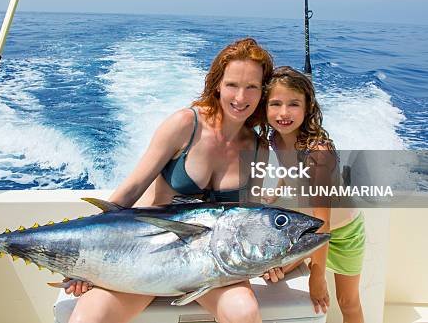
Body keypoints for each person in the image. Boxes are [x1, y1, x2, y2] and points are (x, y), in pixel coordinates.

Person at [65, 37, 274, 323]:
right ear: (217, 85)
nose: (241, 97)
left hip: (211, 268)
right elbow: (131, 190)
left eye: (252, 87)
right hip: (145, 256)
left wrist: (275, 260)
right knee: (86, 320)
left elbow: (246, 219)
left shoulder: (260, 149)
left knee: (245, 314)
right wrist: (84, 260)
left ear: (262, 92)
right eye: (232, 85)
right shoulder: (185, 125)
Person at [261, 66, 365, 323]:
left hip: (343, 233)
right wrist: (276, 191)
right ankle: (302, 257)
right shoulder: (276, 137)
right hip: (309, 229)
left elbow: (324, 223)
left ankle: (309, 262)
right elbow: (288, 169)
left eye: (293, 104)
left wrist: (317, 279)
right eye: (275, 104)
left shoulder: (318, 153)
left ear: (308, 108)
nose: (283, 113)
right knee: (272, 271)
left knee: (347, 302)